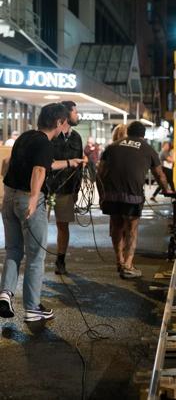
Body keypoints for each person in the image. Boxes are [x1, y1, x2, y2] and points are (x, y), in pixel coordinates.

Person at [0, 103, 84, 322]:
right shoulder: (45, 143)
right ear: (58, 122)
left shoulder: (25, 137)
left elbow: (29, 164)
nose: (65, 125)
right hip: (28, 200)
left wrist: (69, 162)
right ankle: (32, 308)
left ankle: (5, 294)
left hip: (8, 197)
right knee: (36, 256)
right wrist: (34, 199)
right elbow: (39, 170)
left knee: (13, 250)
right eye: (64, 121)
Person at [97, 121, 170, 279]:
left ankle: (119, 261)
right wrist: (166, 190)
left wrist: (102, 195)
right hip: (133, 196)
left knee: (116, 227)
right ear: (143, 135)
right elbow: (159, 174)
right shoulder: (148, 149)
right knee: (131, 230)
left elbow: (100, 172)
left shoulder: (112, 146)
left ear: (128, 132)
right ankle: (128, 265)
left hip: (112, 195)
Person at [48, 101, 83, 275]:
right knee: (36, 225)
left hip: (67, 189)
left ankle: (60, 260)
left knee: (63, 226)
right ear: (66, 115)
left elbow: (80, 165)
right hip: (46, 188)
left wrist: (76, 189)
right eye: (76, 112)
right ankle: (35, 258)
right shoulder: (51, 135)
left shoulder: (76, 137)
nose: (78, 115)